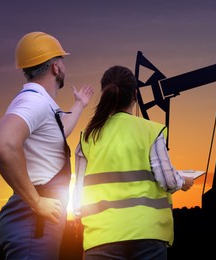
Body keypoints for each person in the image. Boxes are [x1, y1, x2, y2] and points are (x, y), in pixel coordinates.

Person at [0, 31, 94, 259]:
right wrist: (36, 202)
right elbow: (0, 144)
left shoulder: (42, 101)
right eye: (62, 60)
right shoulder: (32, 101)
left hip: (35, 222)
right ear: (56, 67)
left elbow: (59, 131)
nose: (65, 65)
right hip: (31, 222)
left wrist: (79, 105)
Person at [73, 65, 194, 259]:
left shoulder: (88, 137)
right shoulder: (150, 131)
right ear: (135, 95)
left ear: (105, 94)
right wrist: (183, 181)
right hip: (147, 233)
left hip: (102, 236)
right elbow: (168, 181)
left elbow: (78, 200)